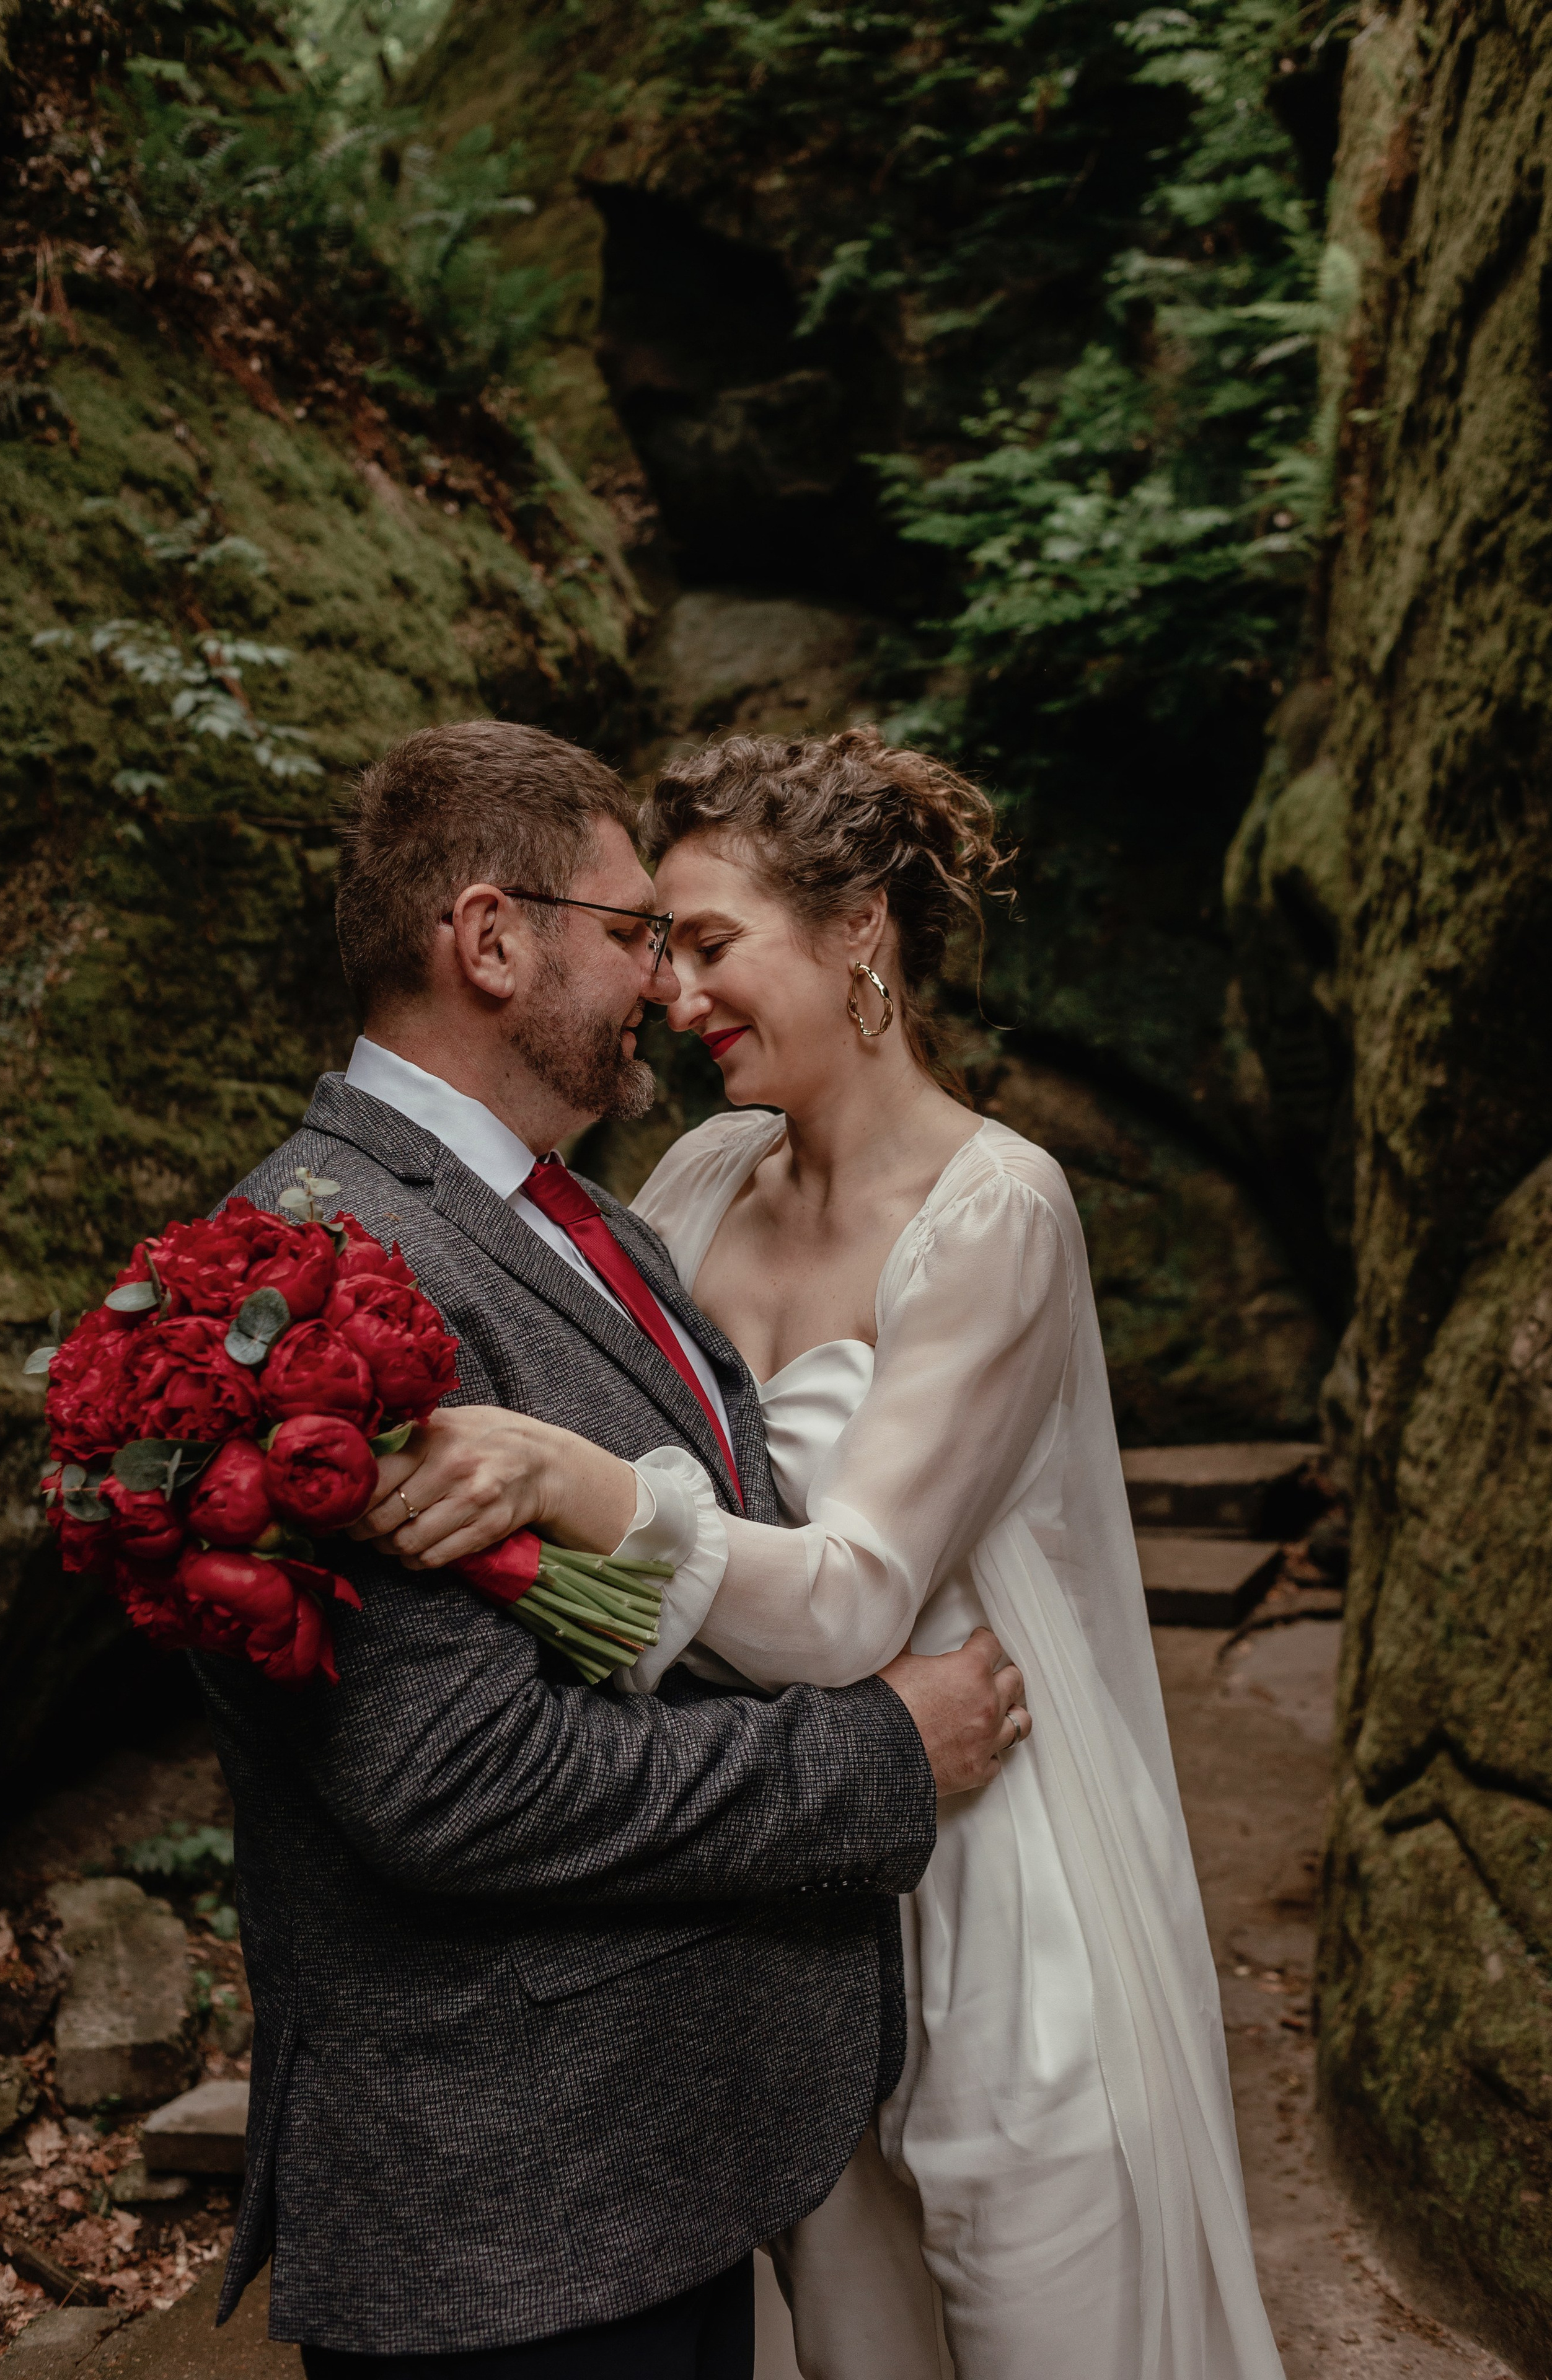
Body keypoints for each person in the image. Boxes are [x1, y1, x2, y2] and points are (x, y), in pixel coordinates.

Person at [371, 726, 1287, 2380]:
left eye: (712, 945)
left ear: (859, 927)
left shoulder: (997, 1213)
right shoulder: (700, 1180)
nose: (671, 993)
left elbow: (860, 1594)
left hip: (993, 1872)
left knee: (1034, 2309)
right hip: (785, 1882)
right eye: (661, 950)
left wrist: (565, 1481)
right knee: (855, 2337)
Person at [200, 718, 1030, 2380]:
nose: (662, 980)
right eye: (636, 931)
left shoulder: (570, 1210)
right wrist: (879, 1752)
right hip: (509, 2219)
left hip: (638, 2174)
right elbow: (458, 1779)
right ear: (492, 940)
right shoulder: (326, 1267)